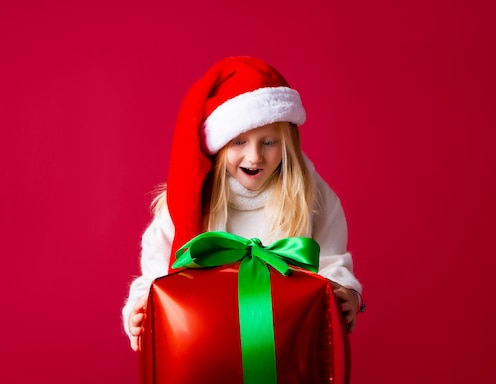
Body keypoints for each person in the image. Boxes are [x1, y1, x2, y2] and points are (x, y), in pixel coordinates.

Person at [123, 56, 363, 351]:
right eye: (239, 142)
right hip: (206, 347)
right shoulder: (189, 202)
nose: (254, 157)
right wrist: (139, 307)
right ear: (219, 144)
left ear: (286, 144)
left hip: (287, 346)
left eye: (269, 142)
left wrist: (345, 292)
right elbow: (156, 272)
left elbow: (331, 260)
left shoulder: (310, 195)